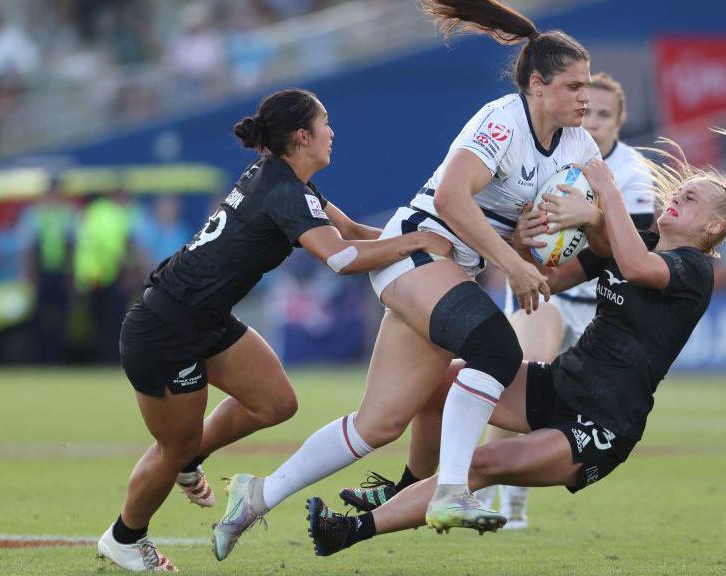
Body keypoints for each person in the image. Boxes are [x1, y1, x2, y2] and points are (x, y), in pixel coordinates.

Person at [211, 0, 600, 561]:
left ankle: (257, 494)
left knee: (378, 425)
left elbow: (522, 227)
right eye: (574, 85)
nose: (586, 97)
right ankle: (450, 490)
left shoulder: (578, 145)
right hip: (415, 254)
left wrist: (531, 241)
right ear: (537, 86)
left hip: (446, 271)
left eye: (588, 86)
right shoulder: (503, 121)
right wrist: (512, 266)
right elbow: (450, 199)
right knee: (493, 344)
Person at [305, 128, 726, 555]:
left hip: (601, 424)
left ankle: (349, 531)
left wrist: (605, 195)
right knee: (435, 386)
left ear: (712, 228)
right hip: (561, 384)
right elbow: (546, 282)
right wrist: (522, 241)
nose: (678, 197)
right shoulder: (639, 239)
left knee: (480, 464)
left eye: (691, 200)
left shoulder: (694, 271)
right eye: (681, 190)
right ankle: (404, 486)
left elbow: (633, 267)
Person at [95, 87, 453, 573]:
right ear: (302, 136)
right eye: (325, 123)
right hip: (166, 329)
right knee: (172, 448)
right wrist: (416, 242)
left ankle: (189, 456)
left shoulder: (289, 183)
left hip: (205, 319)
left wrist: (430, 241)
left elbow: (348, 232)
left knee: (275, 402)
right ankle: (125, 537)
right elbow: (342, 258)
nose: (333, 132)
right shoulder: (284, 190)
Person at [337, 73, 657, 529]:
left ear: (620, 122)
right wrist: (523, 243)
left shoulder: (628, 173)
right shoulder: (557, 149)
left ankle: (445, 488)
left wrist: (594, 217)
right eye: (592, 111)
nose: (597, 122)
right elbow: (519, 222)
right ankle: (499, 502)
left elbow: (638, 246)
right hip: (544, 292)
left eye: (606, 114)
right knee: (508, 375)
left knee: (542, 395)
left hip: (599, 306)